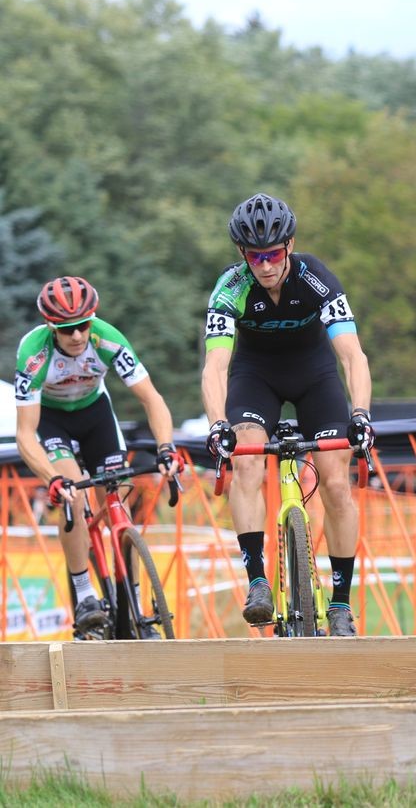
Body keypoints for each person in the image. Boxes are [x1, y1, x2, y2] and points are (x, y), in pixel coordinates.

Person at [201, 193, 374, 638]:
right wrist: (217, 422)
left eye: (273, 253)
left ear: (290, 246)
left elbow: (352, 355)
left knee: (336, 481)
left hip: (314, 374)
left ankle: (340, 603)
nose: (265, 264)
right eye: (255, 256)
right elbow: (216, 365)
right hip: (255, 376)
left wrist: (361, 413)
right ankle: (257, 581)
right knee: (246, 462)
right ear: (242, 254)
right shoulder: (231, 286)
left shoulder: (316, 278)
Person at [13, 276, 179, 637]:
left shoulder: (108, 339)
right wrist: (52, 479)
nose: (76, 336)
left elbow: (152, 399)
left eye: (83, 325)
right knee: (72, 495)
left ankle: (135, 605)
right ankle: (86, 594)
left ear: (92, 319)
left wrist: (166, 447)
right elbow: (25, 433)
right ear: (51, 327)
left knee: (115, 500)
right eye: (67, 329)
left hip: (95, 417)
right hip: (53, 422)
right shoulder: (34, 354)